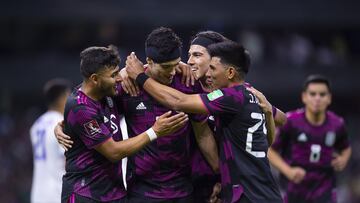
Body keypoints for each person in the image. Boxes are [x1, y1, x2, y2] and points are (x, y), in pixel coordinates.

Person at [125, 40, 283, 203]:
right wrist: (269, 113)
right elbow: (268, 140)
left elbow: (179, 101)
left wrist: (140, 76)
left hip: (247, 193)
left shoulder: (229, 96)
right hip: (264, 190)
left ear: (230, 73)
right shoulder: (252, 95)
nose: (209, 74)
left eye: (213, 68)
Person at [61, 45, 188, 202]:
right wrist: (154, 131)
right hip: (85, 193)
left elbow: (77, 122)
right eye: (114, 75)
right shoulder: (81, 107)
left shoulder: (107, 95)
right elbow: (113, 152)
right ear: (95, 79)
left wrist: (177, 64)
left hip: (115, 193)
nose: (120, 78)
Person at [268, 74, 352, 203]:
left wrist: (343, 159)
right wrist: (288, 171)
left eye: (322, 94)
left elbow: (346, 148)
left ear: (329, 98)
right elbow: (271, 151)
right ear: (304, 97)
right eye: (313, 94)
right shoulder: (290, 121)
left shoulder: (337, 124)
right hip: (294, 191)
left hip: (325, 190)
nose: (317, 98)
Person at [30, 78, 71, 203]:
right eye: (69, 96)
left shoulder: (36, 125)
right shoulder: (60, 124)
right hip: (56, 193)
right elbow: (68, 160)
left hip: (38, 194)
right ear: (63, 97)